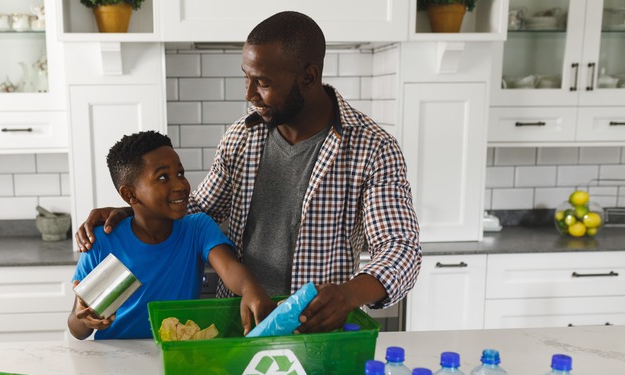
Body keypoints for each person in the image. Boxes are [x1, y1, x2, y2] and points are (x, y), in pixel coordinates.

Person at [75, 11, 422, 334]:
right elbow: (199, 209)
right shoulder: (242, 136)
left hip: (314, 329)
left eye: (263, 82)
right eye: (247, 77)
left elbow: (401, 249)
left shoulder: (373, 148)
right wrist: (134, 211)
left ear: (308, 77)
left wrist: (348, 295)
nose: (249, 94)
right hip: (238, 322)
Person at [68, 131, 275, 340]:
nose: (180, 185)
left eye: (180, 173)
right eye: (163, 177)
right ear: (130, 195)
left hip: (177, 354)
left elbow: (230, 268)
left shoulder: (197, 228)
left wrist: (250, 289)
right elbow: (77, 329)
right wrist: (84, 318)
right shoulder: (102, 241)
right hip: (116, 360)